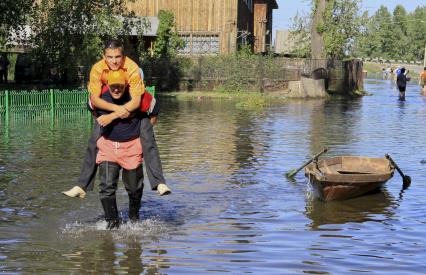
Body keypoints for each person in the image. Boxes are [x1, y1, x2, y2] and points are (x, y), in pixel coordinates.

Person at [62, 39, 170, 198]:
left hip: (136, 110)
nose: (114, 61)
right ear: (103, 56)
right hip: (112, 107)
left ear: (123, 55)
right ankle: (81, 185)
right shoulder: (97, 68)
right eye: (110, 57)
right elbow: (95, 100)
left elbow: (136, 102)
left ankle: (159, 182)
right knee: (94, 139)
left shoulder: (132, 68)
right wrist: (114, 112)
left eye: (117, 57)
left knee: (148, 139)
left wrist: (116, 116)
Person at [92, 70, 145, 229]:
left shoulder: (137, 98)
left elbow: (154, 112)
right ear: (107, 85)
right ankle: (112, 223)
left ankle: (134, 219)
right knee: (106, 188)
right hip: (108, 146)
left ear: (126, 85)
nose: (116, 89)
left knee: (135, 189)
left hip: (132, 147)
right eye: (113, 86)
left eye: (120, 86)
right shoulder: (98, 98)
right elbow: (94, 112)